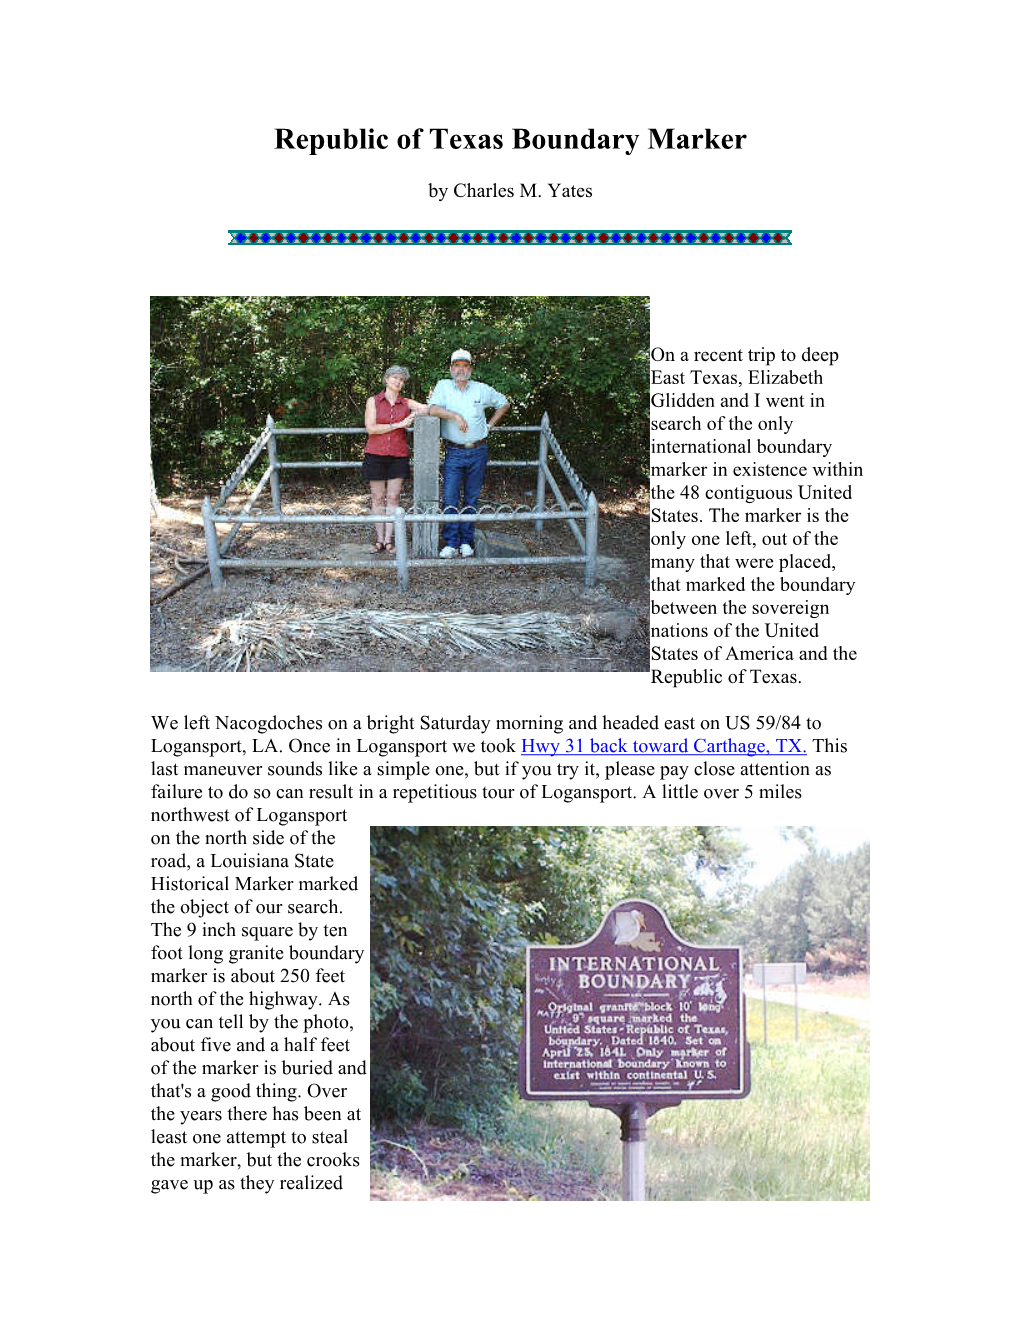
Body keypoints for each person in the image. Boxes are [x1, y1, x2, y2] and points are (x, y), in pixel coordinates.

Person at [426, 350, 510, 557]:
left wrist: (489, 425)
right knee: (450, 497)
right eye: (457, 366)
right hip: (454, 451)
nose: (461, 370)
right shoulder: (443, 386)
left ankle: (467, 541)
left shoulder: (481, 389)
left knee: (472, 498)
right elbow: (432, 409)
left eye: (465, 366)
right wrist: (455, 415)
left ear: (470, 369)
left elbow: (504, 403)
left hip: (478, 451)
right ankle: (451, 542)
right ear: (451, 368)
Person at [363, 366, 428, 552]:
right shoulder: (373, 401)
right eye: (394, 378)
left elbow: (426, 408)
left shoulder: (406, 403)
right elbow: (371, 428)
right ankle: (379, 539)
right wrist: (399, 424)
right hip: (375, 454)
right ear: (386, 379)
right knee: (377, 497)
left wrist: (413, 415)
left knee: (393, 498)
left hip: (398, 455)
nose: (398, 382)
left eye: (401, 379)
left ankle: (388, 540)